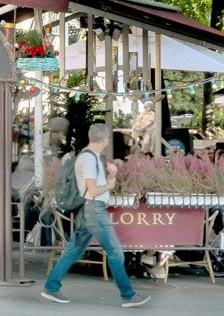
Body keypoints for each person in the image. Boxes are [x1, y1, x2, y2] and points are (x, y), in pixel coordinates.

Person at [39, 123, 147, 308]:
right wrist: (111, 181)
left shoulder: (89, 156)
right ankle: (127, 294)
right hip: (94, 209)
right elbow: (93, 190)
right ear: (105, 139)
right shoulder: (89, 159)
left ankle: (51, 287)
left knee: (75, 249)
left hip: (88, 209)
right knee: (114, 250)